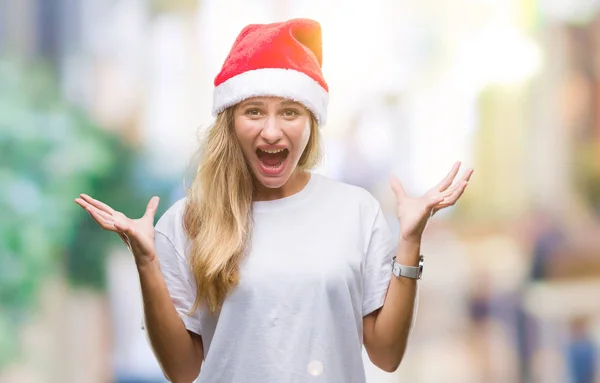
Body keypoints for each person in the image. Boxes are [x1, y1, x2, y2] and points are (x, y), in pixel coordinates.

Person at [75, 18, 473, 383]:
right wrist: (147, 265)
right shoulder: (190, 221)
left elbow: (386, 354)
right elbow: (182, 370)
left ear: (311, 123)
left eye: (289, 112)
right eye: (253, 111)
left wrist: (410, 241)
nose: (271, 131)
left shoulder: (355, 211)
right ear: (230, 122)